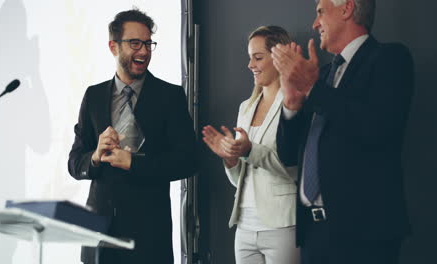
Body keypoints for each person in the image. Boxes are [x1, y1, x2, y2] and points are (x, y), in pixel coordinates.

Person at [271, 0, 413, 263]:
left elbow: (378, 127)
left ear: (347, 9)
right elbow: (289, 155)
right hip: (314, 235)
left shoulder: (390, 58)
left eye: (320, 12)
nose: (314, 24)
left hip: (364, 236)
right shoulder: (322, 75)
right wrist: (291, 102)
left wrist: (313, 88)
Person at [68, 9, 196, 264]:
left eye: (148, 43)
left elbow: (189, 161)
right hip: (100, 236)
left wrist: (133, 162)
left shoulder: (170, 97)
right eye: (135, 43)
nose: (144, 51)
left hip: (149, 238)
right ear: (113, 46)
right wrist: (95, 156)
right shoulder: (93, 96)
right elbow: (74, 163)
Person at [202, 26, 299, 264]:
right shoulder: (245, 107)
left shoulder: (294, 106)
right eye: (250, 58)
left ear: (278, 58)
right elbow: (240, 179)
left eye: (258, 57)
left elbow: (294, 169)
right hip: (244, 226)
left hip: (281, 225)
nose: (250, 65)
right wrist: (231, 158)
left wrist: (249, 151)